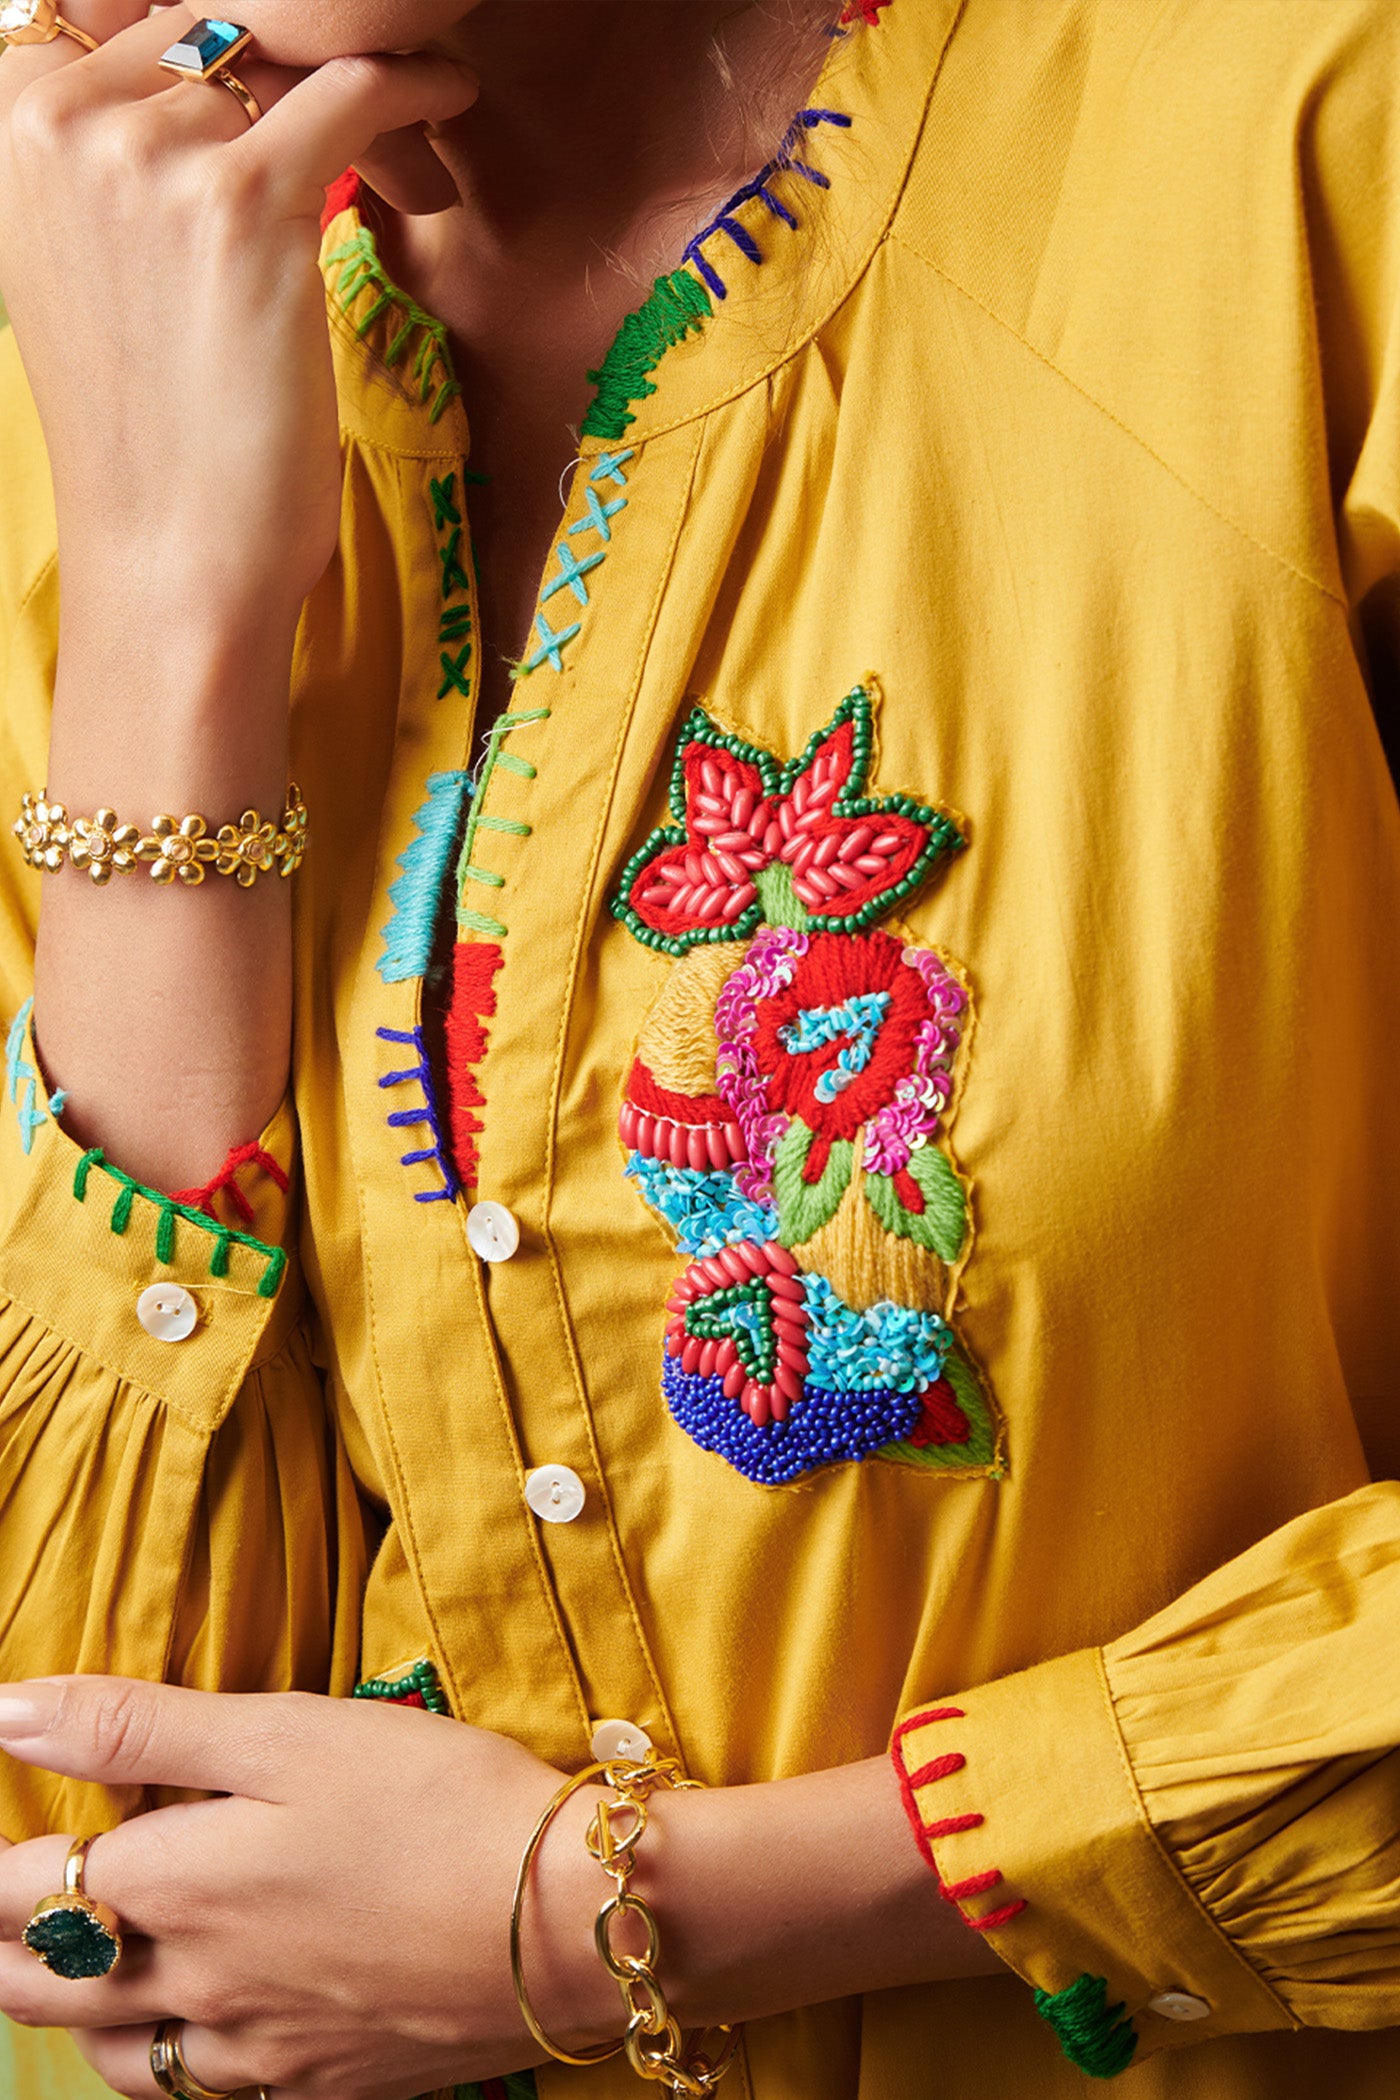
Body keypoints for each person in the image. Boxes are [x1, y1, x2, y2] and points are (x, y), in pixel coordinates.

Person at [0, 0, 1398, 2094]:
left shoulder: (1300, 150)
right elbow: (101, 1872)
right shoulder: (94, 314)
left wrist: (631, 1917)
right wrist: (163, 610)